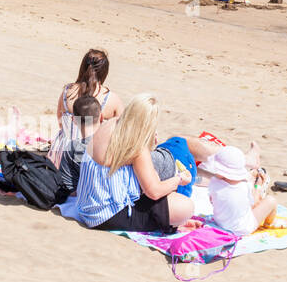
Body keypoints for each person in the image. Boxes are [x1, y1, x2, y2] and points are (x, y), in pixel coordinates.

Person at [74, 94, 196, 234]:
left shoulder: (109, 124)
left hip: (86, 207)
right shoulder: (136, 145)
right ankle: (169, 222)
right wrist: (179, 180)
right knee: (186, 207)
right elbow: (154, 192)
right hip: (106, 215)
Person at [48, 48, 120, 174]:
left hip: (61, 153)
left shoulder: (68, 91)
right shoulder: (111, 99)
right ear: (104, 72)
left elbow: (60, 122)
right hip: (90, 154)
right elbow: (122, 131)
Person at [206, 144, 276, 235]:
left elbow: (212, 201)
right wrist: (257, 187)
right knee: (271, 200)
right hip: (242, 229)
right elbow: (255, 203)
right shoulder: (244, 186)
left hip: (220, 223)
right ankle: (269, 223)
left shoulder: (214, 183)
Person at [52, 94, 101, 197]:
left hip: (87, 200)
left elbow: (68, 187)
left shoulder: (72, 148)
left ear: (74, 119)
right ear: (101, 117)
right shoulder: (113, 143)